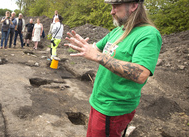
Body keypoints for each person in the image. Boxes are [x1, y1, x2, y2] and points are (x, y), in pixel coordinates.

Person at [64, 0, 162, 136]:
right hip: (98, 101)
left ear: (134, 6)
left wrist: (99, 57)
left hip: (113, 108)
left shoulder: (148, 34)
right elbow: (94, 49)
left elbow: (141, 74)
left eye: (116, 7)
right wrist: (82, 46)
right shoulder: (117, 31)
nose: (112, 11)